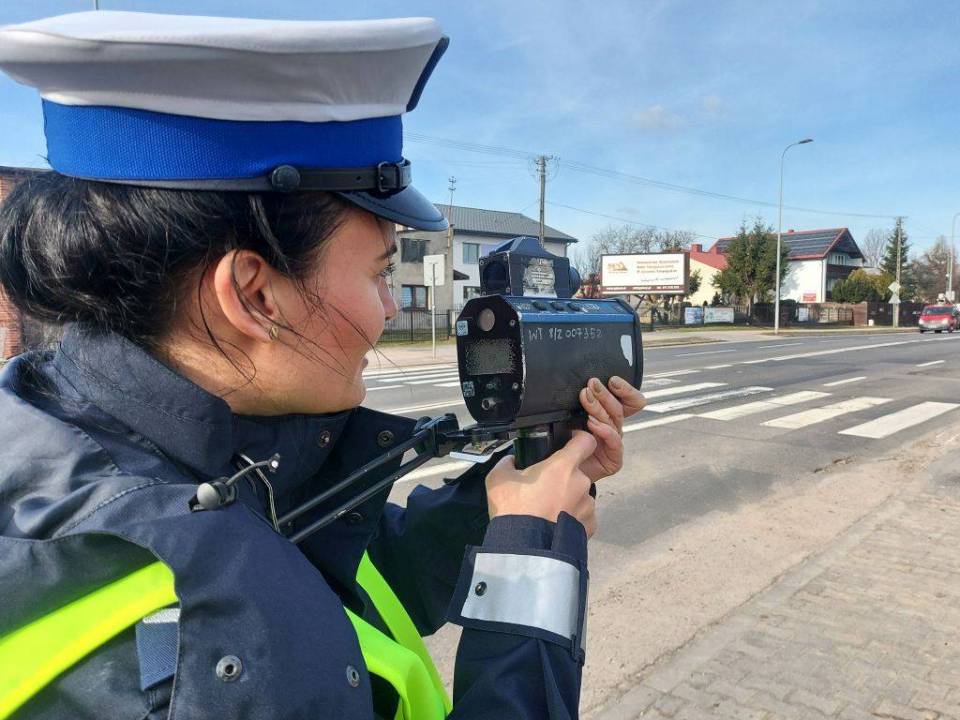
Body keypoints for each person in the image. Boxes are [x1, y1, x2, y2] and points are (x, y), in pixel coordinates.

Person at [0, 10, 645, 720]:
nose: (390, 308)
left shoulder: (93, 435)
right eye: (378, 271)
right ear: (254, 295)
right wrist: (534, 563)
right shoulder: (220, 661)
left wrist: (499, 499)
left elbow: (335, 574)